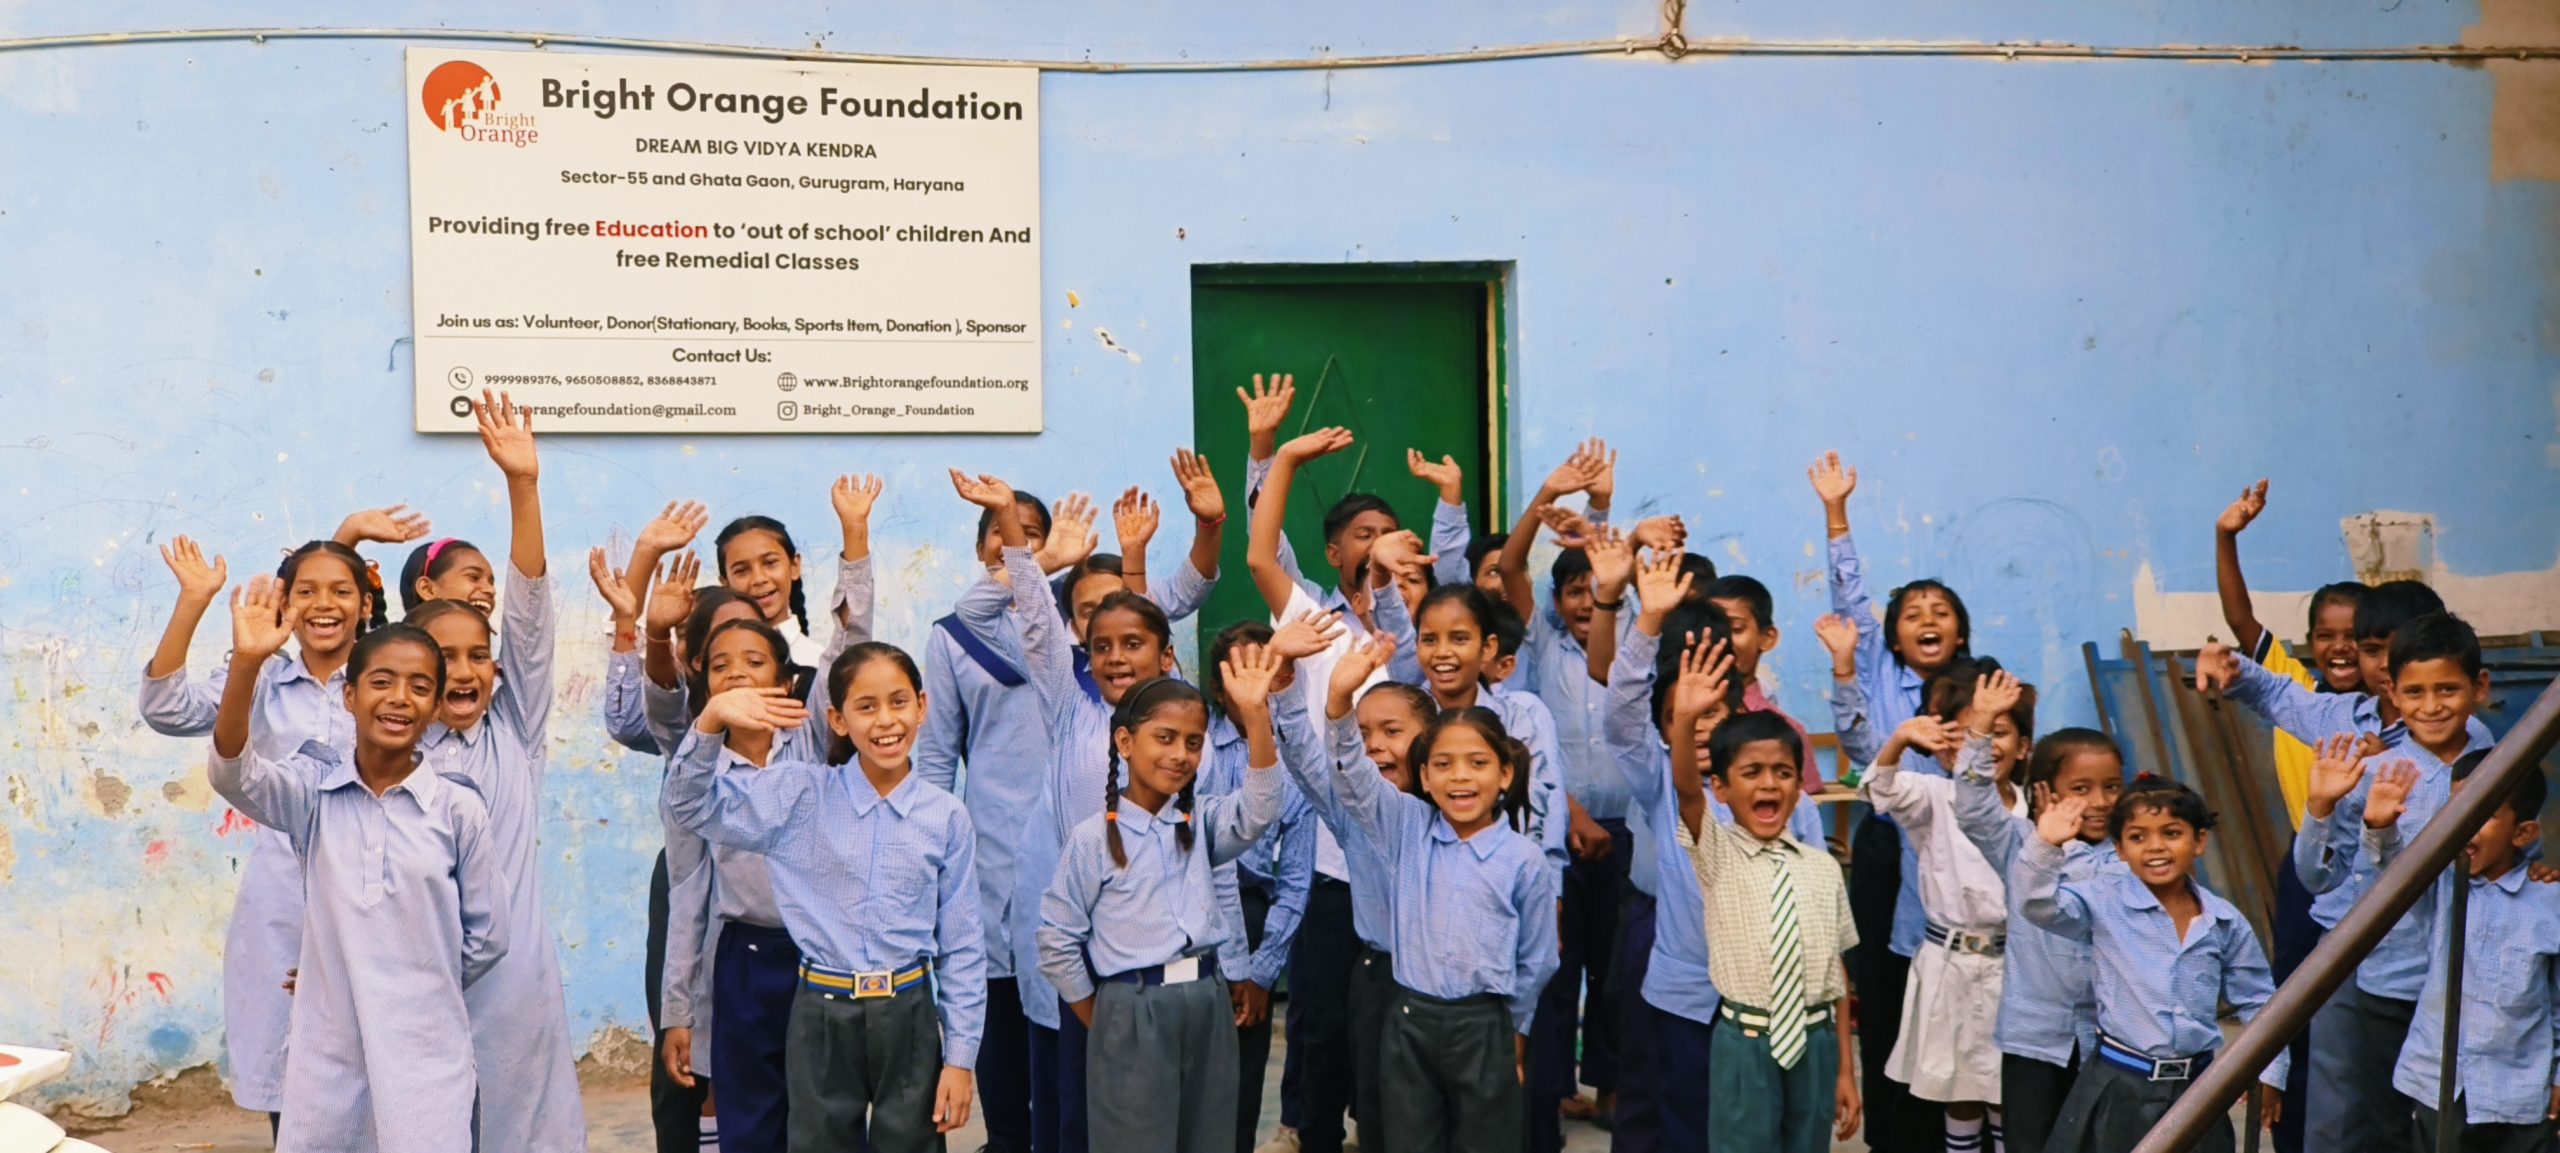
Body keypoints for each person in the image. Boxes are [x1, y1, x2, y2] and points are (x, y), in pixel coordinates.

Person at [207, 589, 506, 1153]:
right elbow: (232, 775)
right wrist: (246, 663)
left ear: (436, 706)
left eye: (420, 687)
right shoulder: (313, 794)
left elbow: (487, 936)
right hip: (328, 1054)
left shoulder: (456, 809)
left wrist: (399, 975)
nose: (399, 699)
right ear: (350, 696)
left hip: (426, 1052)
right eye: (381, 682)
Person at [667, 643, 987, 1153]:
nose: (886, 721)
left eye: (899, 702)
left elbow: (963, 945)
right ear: (838, 719)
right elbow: (689, 807)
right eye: (866, 706)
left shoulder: (946, 817)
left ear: (922, 706)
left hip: (908, 1010)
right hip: (821, 1010)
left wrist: (960, 1060)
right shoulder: (800, 795)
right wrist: (711, 720)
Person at [2198, 608, 2496, 1153]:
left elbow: (2515, 854)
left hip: (2468, 979)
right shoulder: (2373, 770)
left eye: (2447, 690)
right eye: (2416, 692)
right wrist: (2321, 808)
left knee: (2454, 1124)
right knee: (2358, 1119)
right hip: (2383, 975)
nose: (2432, 706)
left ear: (2479, 688)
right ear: (2393, 692)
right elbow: (2320, 877)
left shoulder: (2496, 763)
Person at [137, 528, 391, 1133]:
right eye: (306, 591)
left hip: (381, 892)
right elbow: (166, 709)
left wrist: (351, 533)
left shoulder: (391, 678)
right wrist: (194, 601)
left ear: (366, 602)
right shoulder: (259, 678)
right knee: (293, 1080)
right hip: (284, 904)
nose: (324, 604)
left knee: (387, 1077)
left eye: (341, 591)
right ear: (284, 602)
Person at [403, 392, 587, 1152]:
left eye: (480, 655)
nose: (465, 670)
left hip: (514, 990)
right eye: (443, 657)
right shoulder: (388, 754)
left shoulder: (513, 727)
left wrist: (523, 485)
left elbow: (531, 615)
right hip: (416, 982)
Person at [1292, 633, 1560, 1153]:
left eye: (1477, 763)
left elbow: (1538, 958)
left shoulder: (1523, 860)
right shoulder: (1406, 827)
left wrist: (1514, 1030)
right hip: (1409, 1019)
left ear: (1505, 774)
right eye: (1443, 765)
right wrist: (1338, 703)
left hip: (1485, 1023)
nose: (1460, 778)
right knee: (1406, 1138)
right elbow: (1354, 780)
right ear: (1425, 776)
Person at [1598, 544, 1825, 1153]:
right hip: (1685, 998)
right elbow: (1619, 719)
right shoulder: (1662, 786)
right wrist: (1648, 622)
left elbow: (1816, 917)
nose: (1697, 727)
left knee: (1759, 1128)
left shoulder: (1788, 806)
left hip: (1770, 1003)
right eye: (1681, 717)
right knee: (1680, 1119)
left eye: (1710, 715)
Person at [1038, 645, 1299, 1152]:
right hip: (1132, 1006)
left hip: (1206, 1001)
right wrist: (1103, 1016)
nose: (1180, 754)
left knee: (1210, 1139)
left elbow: (1261, 809)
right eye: (1165, 738)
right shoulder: (1093, 839)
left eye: (1193, 742)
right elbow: (1056, 939)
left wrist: (1256, 717)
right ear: (1125, 742)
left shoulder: (1201, 822)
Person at [1813, 450, 1970, 1152]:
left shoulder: (1980, 685)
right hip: (1887, 850)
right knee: (1888, 994)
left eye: (1941, 613)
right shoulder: (1877, 671)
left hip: (1962, 849)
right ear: (1896, 634)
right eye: (1912, 614)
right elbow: (1850, 601)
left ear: (1960, 631)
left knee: (1954, 1002)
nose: (1927, 621)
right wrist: (1836, 513)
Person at [2208, 478, 2371, 1153]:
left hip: (2383, 865)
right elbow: (2240, 618)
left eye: (2355, 637)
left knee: (2371, 1008)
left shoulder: (2392, 710)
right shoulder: (2295, 688)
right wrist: (2226, 537)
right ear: (2308, 642)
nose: (2340, 648)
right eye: (2325, 636)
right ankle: (2296, 1129)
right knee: (2300, 1002)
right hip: (2310, 868)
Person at [1662, 642, 1861, 1152]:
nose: (1769, 783)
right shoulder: (1718, 852)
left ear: (1798, 787)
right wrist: (1684, 721)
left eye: (1783, 772)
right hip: (1746, 1043)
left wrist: (1845, 1070)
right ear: (1722, 789)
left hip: (1815, 1042)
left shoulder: (1822, 868)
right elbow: (1686, 791)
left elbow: (1836, 976)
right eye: (1751, 773)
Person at [2018, 778, 2278, 1153]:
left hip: (2198, 1090)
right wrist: (2046, 845)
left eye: (2171, 833)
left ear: (2199, 841)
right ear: (2120, 849)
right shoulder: (2102, 901)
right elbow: (2038, 906)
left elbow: (2259, 1001)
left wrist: (2269, 1073)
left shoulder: (2225, 921)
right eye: (2138, 837)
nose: (2155, 847)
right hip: (2119, 1084)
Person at [2362, 749, 2560, 1153]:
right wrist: (2380, 825)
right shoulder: (2440, 885)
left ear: (2522, 833)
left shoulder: (2549, 902)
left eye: (2483, 814)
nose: (2464, 825)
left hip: (2520, 1094)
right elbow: (2396, 872)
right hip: (2439, 1086)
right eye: (2456, 810)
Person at [1947, 724, 2128, 1153]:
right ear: (2045, 791)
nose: (2101, 801)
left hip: (2112, 1041)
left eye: (2112, 787)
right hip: (2034, 1041)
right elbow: (1971, 807)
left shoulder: (2129, 855)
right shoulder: (2019, 843)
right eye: (2081, 788)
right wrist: (1979, 730)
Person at [1200, 623, 1320, 1153]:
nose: (1253, 684)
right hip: (1189, 910)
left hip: (1253, 921)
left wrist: (1261, 971)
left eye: (1264, 671)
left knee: (1241, 1082)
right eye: (1238, 672)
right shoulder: (1195, 743)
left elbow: (1294, 882)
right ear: (1216, 684)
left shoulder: (1293, 765)